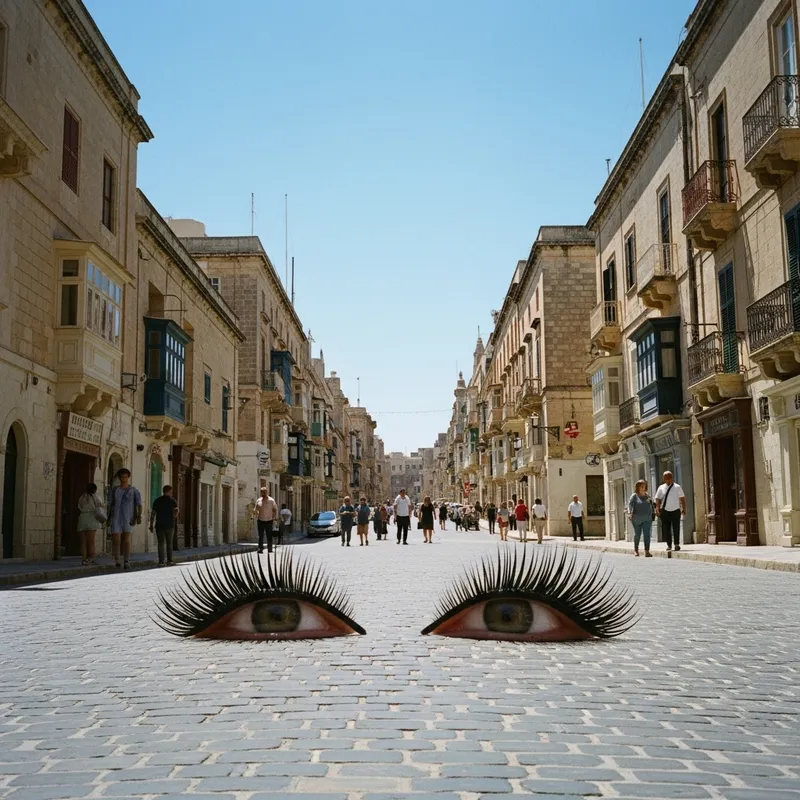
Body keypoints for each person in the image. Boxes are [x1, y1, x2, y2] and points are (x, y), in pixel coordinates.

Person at [108, 468, 142, 570]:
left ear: (128, 477)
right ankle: (117, 560)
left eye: (126, 477)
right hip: (116, 516)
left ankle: (127, 561)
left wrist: (138, 516)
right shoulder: (115, 490)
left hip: (128, 516)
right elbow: (111, 504)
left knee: (126, 539)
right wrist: (108, 517)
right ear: (119, 478)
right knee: (116, 539)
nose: (124, 479)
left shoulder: (134, 491)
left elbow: (138, 504)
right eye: (122, 477)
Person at [655, 471, 686, 552]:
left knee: (676, 527)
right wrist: (657, 508)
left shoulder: (677, 487)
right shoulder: (661, 487)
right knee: (666, 528)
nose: (667, 479)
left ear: (672, 478)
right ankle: (669, 544)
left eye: (669, 477)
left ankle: (676, 544)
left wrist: (684, 508)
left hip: (676, 510)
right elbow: (657, 499)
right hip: (665, 511)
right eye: (665, 477)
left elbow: (682, 498)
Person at [150, 484, 179, 566]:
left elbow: (153, 513)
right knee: (169, 543)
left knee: (160, 543)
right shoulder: (172, 500)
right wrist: (175, 516)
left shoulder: (157, 501)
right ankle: (169, 560)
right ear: (170, 491)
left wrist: (151, 524)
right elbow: (176, 510)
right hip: (170, 525)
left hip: (159, 525)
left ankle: (161, 561)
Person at [76, 482, 104, 565]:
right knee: (91, 541)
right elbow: (100, 505)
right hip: (91, 518)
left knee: (83, 541)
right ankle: (91, 557)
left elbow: (79, 506)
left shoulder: (82, 497)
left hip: (82, 518)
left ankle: (83, 559)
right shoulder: (96, 497)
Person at [628, 479, 654, 557]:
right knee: (637, 534)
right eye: (641, 486)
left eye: (644, 486)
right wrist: (630, 513)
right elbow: (630, 505)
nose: (643, 488)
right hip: (637, 519)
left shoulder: (647, 496)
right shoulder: (634, 496)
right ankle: (636, 550)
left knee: (647, 535)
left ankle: (647, 551)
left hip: (647, 518)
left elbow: (651, 506)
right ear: (638, 487)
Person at [253, 487, 278, 554]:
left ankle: (269, 548)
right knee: (261, 535)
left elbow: (275, 509)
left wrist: (274, 516)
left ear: (267, 492)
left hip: (269, 520)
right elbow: (255, 510)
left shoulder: (271, 500)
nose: (263, 493)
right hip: (260, 520)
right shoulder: (259, 500)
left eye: (264, 492)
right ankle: (260, 548)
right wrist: (256, 513)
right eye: (262, 492)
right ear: (261, 493)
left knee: (269, 535)